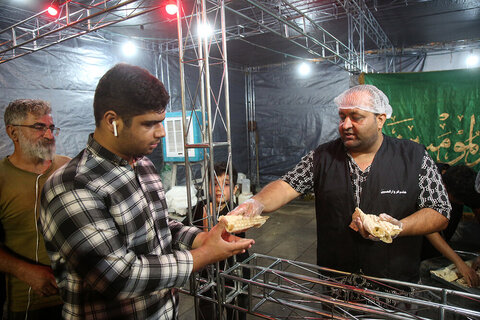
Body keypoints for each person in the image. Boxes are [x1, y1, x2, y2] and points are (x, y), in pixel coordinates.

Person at [39, 63, 254, 320]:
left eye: (161, 122)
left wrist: (202, 238)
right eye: (150, 123)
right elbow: (119, 276)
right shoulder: (73, 186)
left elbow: (159, 226)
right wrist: (205, 255)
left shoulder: (143, 165)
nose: (162, 132)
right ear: (112, 121)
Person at [231, 84, 451, 283]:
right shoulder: (322, 157)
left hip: (393, 280)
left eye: (356, 117)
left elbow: (439, 211)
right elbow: (287, 185)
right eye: (342, 116)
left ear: (380, 120)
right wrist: (257, 202)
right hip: (338, 277)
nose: (346, 125)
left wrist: (398, 227)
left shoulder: (413, 157)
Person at [0, 99, 70, 319]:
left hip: (78, 299)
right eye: (39, 128)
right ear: (13, 132)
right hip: (29, 305)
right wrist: (23, 270)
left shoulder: (69, 168)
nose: (49, 136)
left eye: (51, 128)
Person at [189, 162, 249, 320]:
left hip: (234, 270)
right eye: (215, 183)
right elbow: (183, 230)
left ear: (236, 189)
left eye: (226, 184)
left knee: (235, 310)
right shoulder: (199, 208)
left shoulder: (237, 212)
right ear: (208, 186)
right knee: (206, 308)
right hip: (207, 271)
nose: (219, 188)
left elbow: (231, 236)